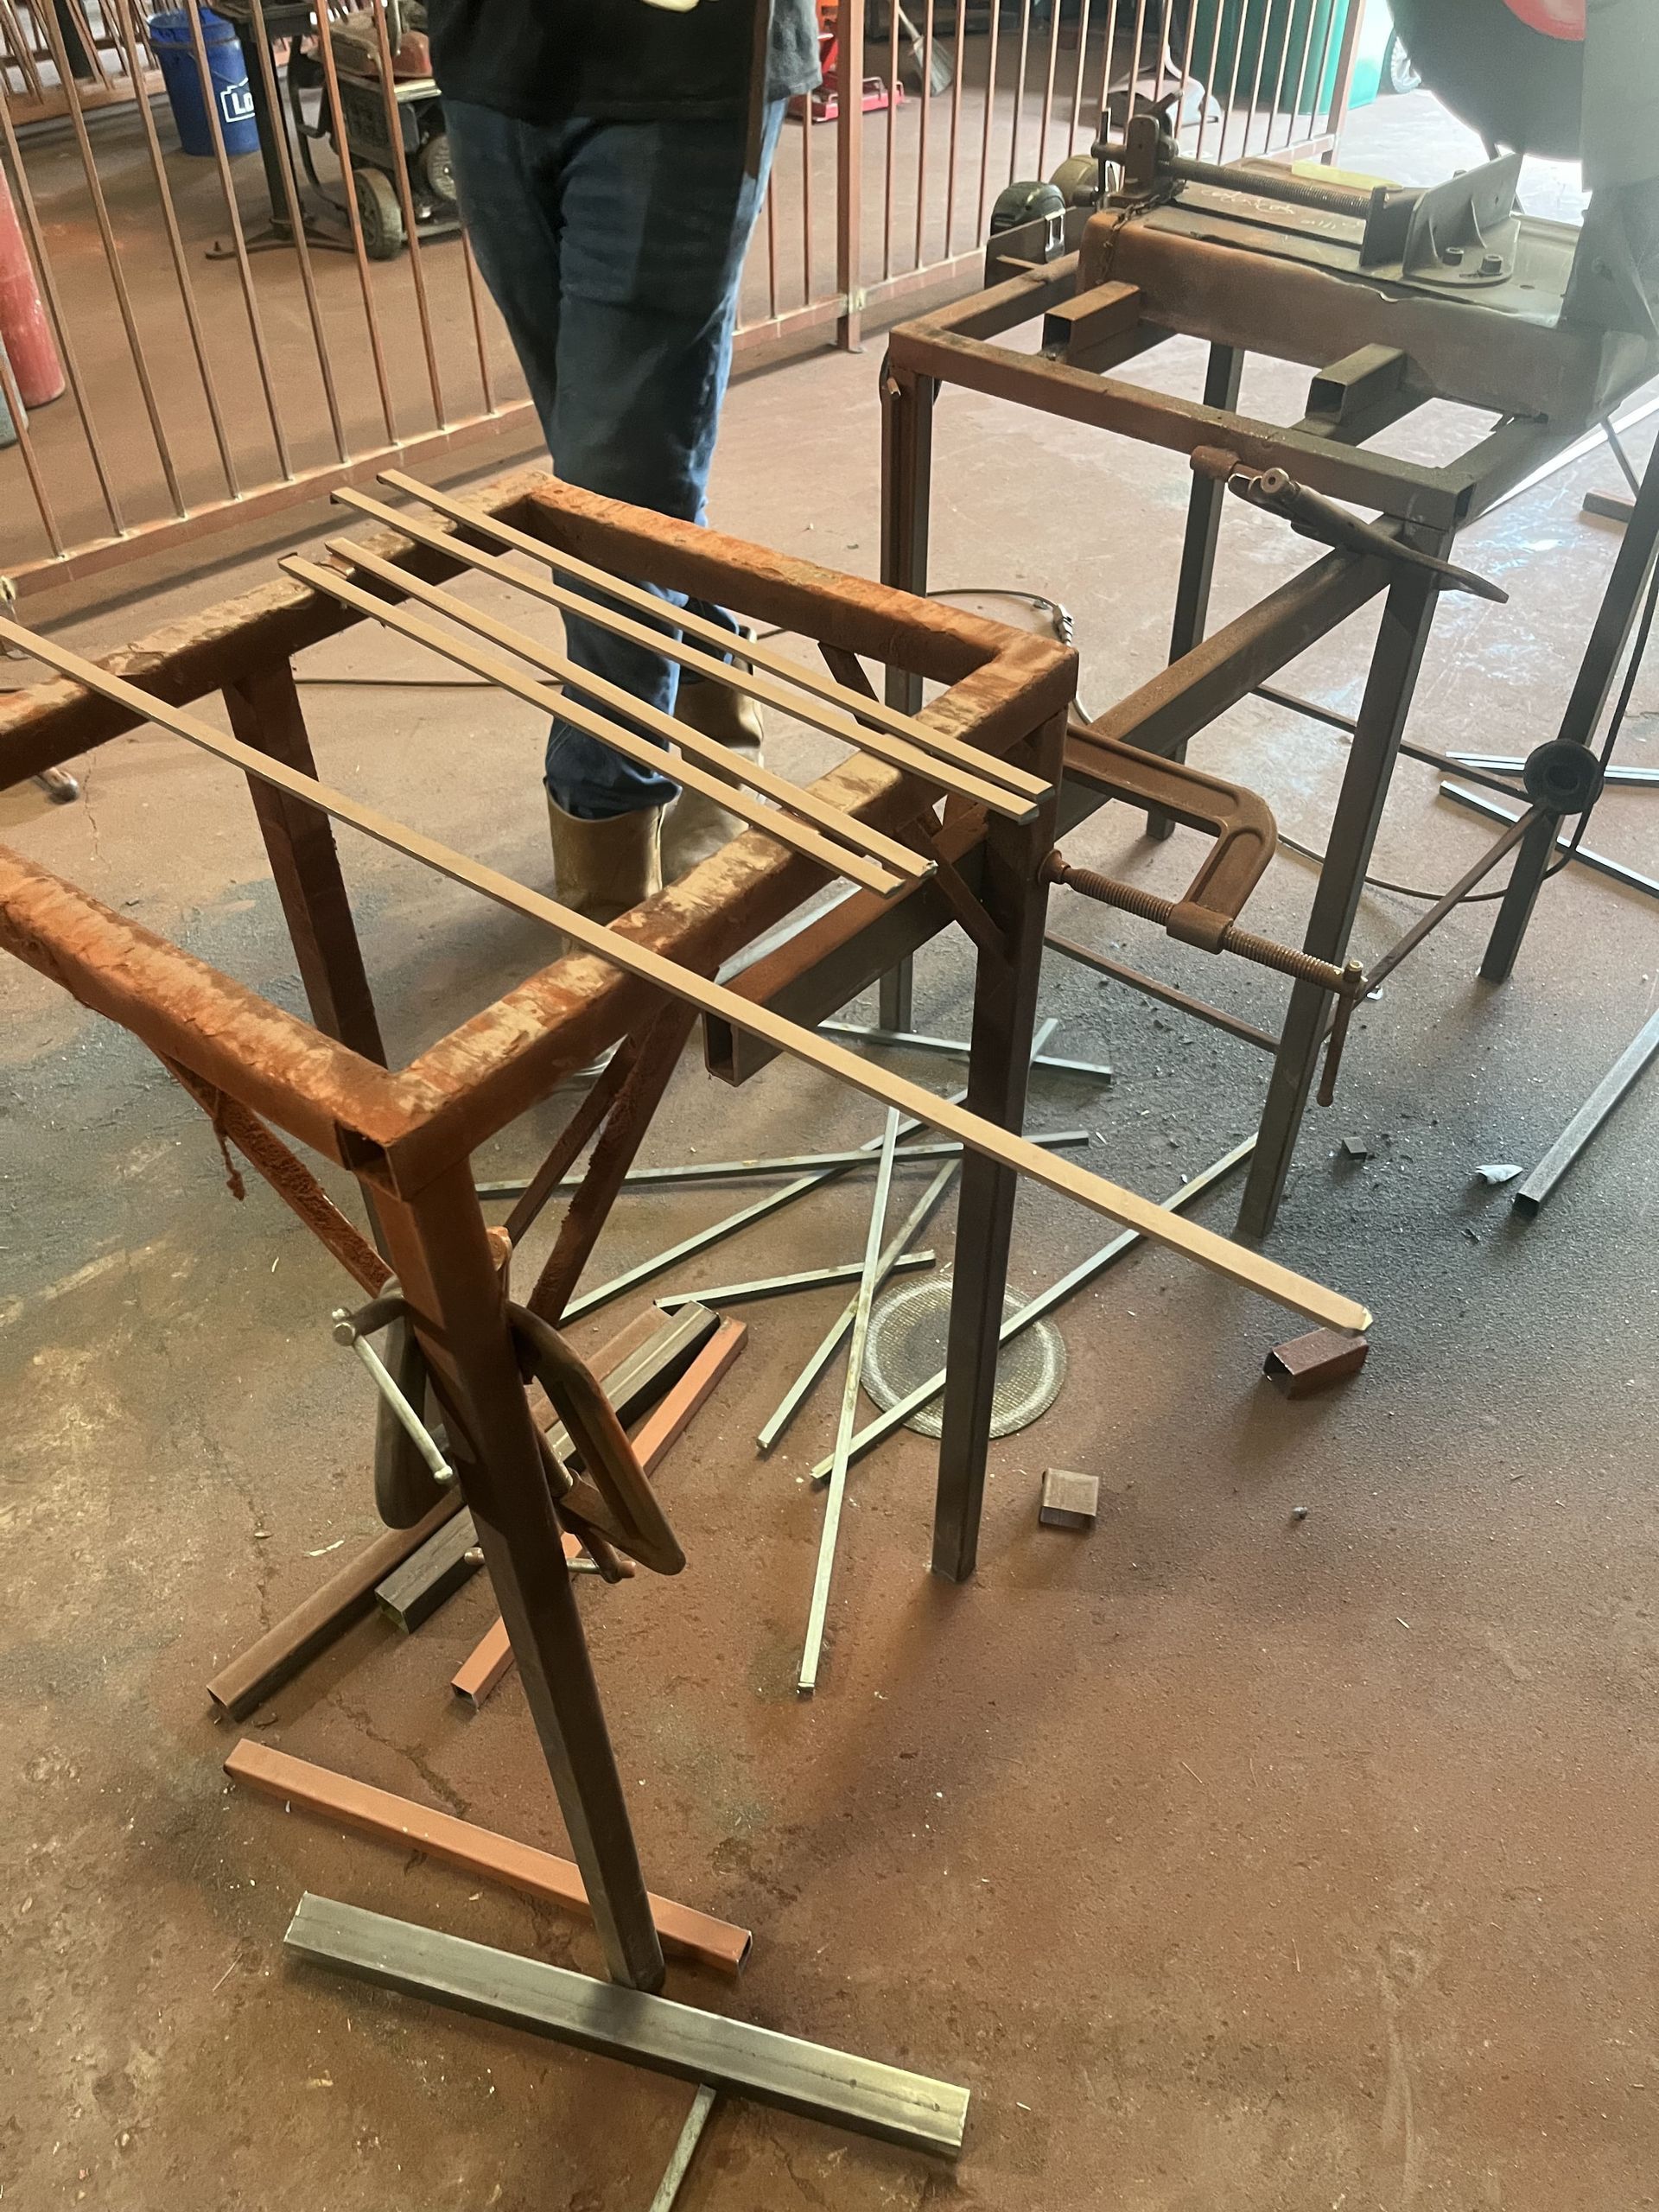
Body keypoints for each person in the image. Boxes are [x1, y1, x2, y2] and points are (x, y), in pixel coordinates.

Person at [427, 0, 822, 924]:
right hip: (490, 59)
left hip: (678, 69)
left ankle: (608, 904)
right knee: (619, 467)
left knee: (613, 499)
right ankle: (718, 745)